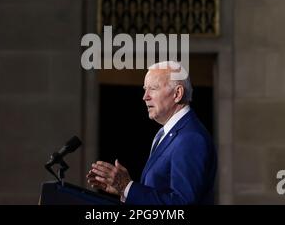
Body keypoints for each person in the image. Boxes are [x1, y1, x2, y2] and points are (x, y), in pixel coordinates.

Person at [86, 61, 217, 205]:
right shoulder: (167, 133)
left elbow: (181, 204)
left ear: (177, 93)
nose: (145, 97)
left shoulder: (190, 138)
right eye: (145, 89)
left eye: (153, 89)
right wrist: (124, 191)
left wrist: (127, 187)